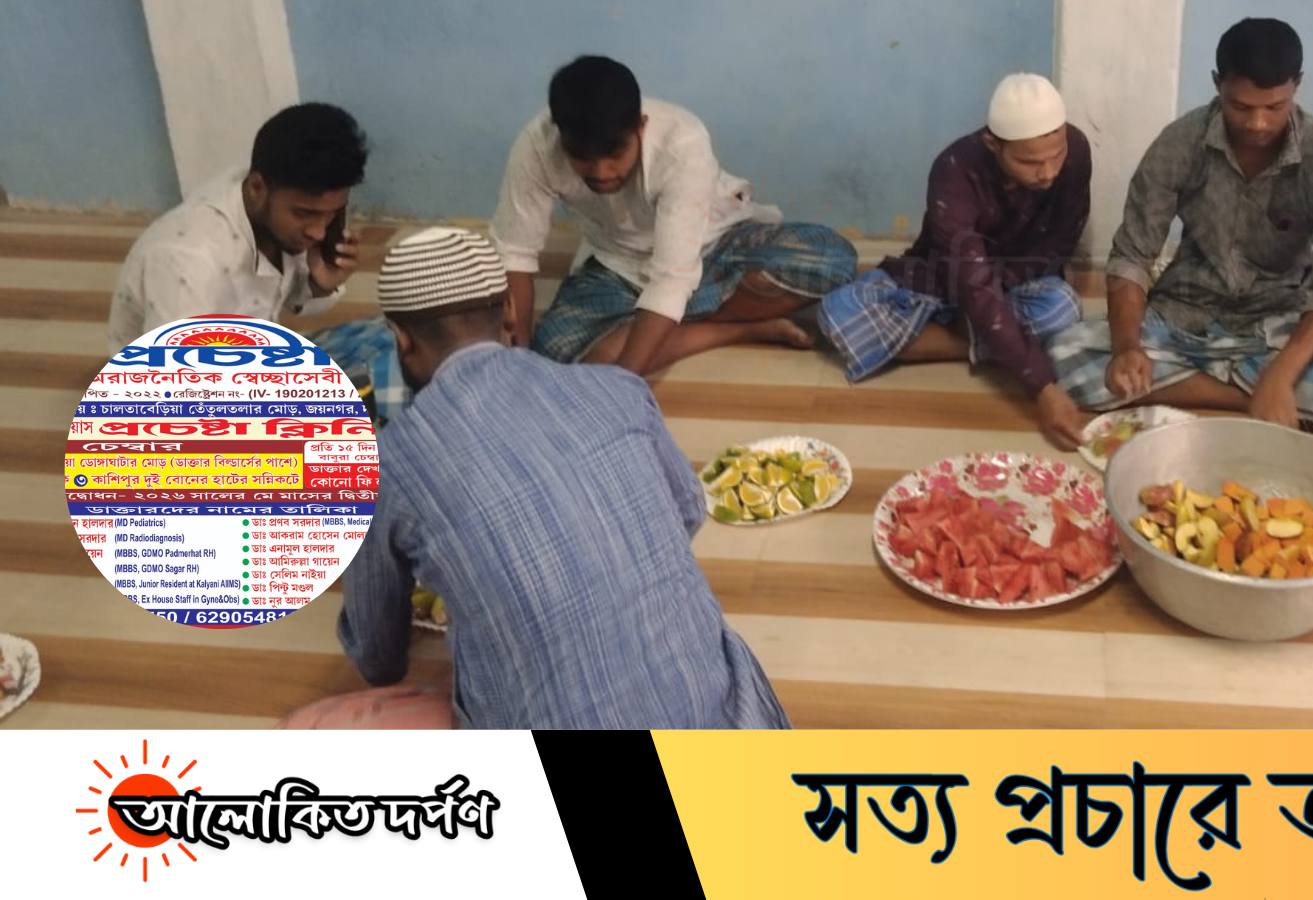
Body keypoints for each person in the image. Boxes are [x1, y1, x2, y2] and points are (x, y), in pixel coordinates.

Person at [283, 226, 791, 730]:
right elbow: (688, 510)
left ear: (401, 339)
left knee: (317, 728)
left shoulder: (389, 464)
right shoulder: (619, 389)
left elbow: (378, 657)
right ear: (509, 310)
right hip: (737, 730)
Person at [1044, 18, 1313, 431]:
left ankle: (1247, 387)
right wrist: (1127, 348)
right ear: (1217, 83)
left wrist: (1282, 372)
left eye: (1274, 107)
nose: (1258, 123)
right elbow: (1132, 256)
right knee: (1065, 352)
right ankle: (1249, 398)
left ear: (1296, 85)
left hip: (1280, 323)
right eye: (1240, 106)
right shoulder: (1179, 144)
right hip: (1181, 315)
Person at [491, 55, 858, 378]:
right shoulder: (537, 145)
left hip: (715, 245)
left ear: (641, 125)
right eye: (583, 158)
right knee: (553, 353)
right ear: (560, 137)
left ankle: (657, 324)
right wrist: (520, 360)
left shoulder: (682, 140)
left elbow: (672, 277)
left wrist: (624, 381)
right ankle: (738, 328)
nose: (601, 172)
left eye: (615, 154)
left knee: (832, 259)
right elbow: (515, 254)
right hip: (615, 266)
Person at [817, 73, 1092, 448]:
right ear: (993, 144)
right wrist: (1042, 385)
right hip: (940, 276)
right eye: (1028, 162)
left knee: (1062, 307)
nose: (1048, 173)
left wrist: (1001, 294)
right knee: (838, 312)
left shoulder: (1076, 149)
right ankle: (980, 340)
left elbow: (1061, 239)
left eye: (1056, 156)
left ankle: (978, 336)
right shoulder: (954, 169)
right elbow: (971, 281)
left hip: (1015, 280)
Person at [107, 103, 366, 351]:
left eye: (332, 213)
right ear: (256, 188)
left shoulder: (271, 197)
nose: (319, 232)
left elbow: (284, 297)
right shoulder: (188, 259)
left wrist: (319, 285)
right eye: (304, 213)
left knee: (384, 336)